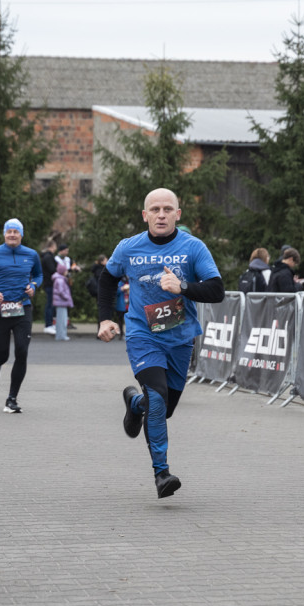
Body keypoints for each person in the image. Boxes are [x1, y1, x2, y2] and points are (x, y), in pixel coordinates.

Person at [97, 188, 224, 499]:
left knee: (162, 409)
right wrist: (104, 318)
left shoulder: (193, 248)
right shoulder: (128, 248)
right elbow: (107, 278)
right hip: (142, 334)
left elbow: (217, 290)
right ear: (145, 215)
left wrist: (183, 286)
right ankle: (161, 473)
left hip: (180, 338)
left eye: (168, 209)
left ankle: (134, 403)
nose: (161, 214)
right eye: (155, 209)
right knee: (158, 395)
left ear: (178, 214)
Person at [0, 218, 43, 413]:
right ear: (4, 234)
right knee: (3, 354)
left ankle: (11, 398)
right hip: (0, 309)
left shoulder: (31, 254)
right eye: (9, 231)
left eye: (16, 231)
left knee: (22, 351)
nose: (12, 234)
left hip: (23, 308)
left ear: (21, 234)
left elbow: (38, 275)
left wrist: (33, 286)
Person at [52, 263, 74, 341]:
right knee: (62, 320)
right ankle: (61, 335)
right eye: (65, 271)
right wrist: (67, 297)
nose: (67, 272)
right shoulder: (60, 280)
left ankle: (60, 335)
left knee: (61, 320)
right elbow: (61, 292)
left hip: (60, 302)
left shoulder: (59, 279)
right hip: (61, 302)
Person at [40, 240, 58, 334]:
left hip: (50, 283)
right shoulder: (48, 257)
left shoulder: (47, 256)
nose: (56, 248)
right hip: (50, 283)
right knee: (50, 304)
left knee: (51, 304)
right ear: (51, 246)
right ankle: (48, 325)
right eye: (55, 246)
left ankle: (50, 323)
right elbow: (52, 269)